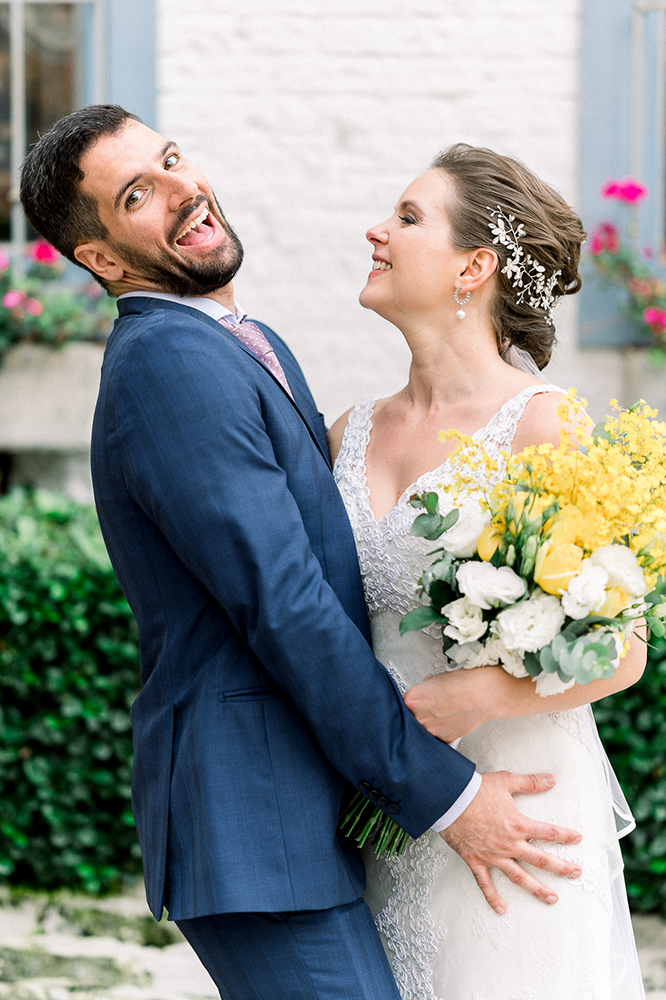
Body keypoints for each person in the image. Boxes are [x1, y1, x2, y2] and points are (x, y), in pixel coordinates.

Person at [20, 109, 583, 1000]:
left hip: (325, 808)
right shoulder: (170, 361)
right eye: (137, 194)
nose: (181, 189)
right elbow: (281, 600)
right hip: (258, 815)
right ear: (103, 261)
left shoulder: (246, 344)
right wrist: (448, 795)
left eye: (170, 161)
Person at [329, 142, 647, 999]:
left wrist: (483, 696)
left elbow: (624, 650)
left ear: (475, 266)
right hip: (386, 810)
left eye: (405, 217)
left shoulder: (544, 428)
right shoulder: (345, 432)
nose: (376, 231)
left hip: (518, 808)